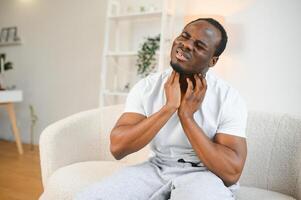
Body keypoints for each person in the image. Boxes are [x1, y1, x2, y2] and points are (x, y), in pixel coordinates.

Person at [75, 18, 248, 200]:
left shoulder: (228, 97)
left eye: (199, 45)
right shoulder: (147, 87)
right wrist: (169, 107)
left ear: (213, 61)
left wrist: (187, 117)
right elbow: (118, 148)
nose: (186, 45)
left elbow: (231, 173)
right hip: (157, 168)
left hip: (205, 175)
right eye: (184, 36)